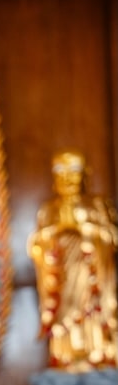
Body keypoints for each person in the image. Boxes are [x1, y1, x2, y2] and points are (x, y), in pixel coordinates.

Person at [27, 150, 117, 370]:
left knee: (91, 310)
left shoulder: (96, 204)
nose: (67, 178)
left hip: (90, 276)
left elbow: (111, 238)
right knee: (64, 314)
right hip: (63, 277)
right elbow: (36, 246)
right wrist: (55, 234)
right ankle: (65, 354)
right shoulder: (49, 210)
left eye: (73, 171)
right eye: (61, 172)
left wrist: (84, 229)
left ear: (85, 174)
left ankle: (97, 349)